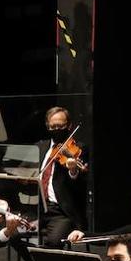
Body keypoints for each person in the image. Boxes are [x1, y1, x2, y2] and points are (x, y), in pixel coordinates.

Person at [34, 106, 90, 249]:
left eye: (60, 126)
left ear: (69, 126)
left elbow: (80, 185)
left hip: (62, 212)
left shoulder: (79, 149)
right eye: (53, 126)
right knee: (12, 234)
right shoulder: (40, 147)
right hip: (38, 209)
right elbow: (24, 168)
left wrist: (73, 170)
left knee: (53, 242)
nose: (56, 129)